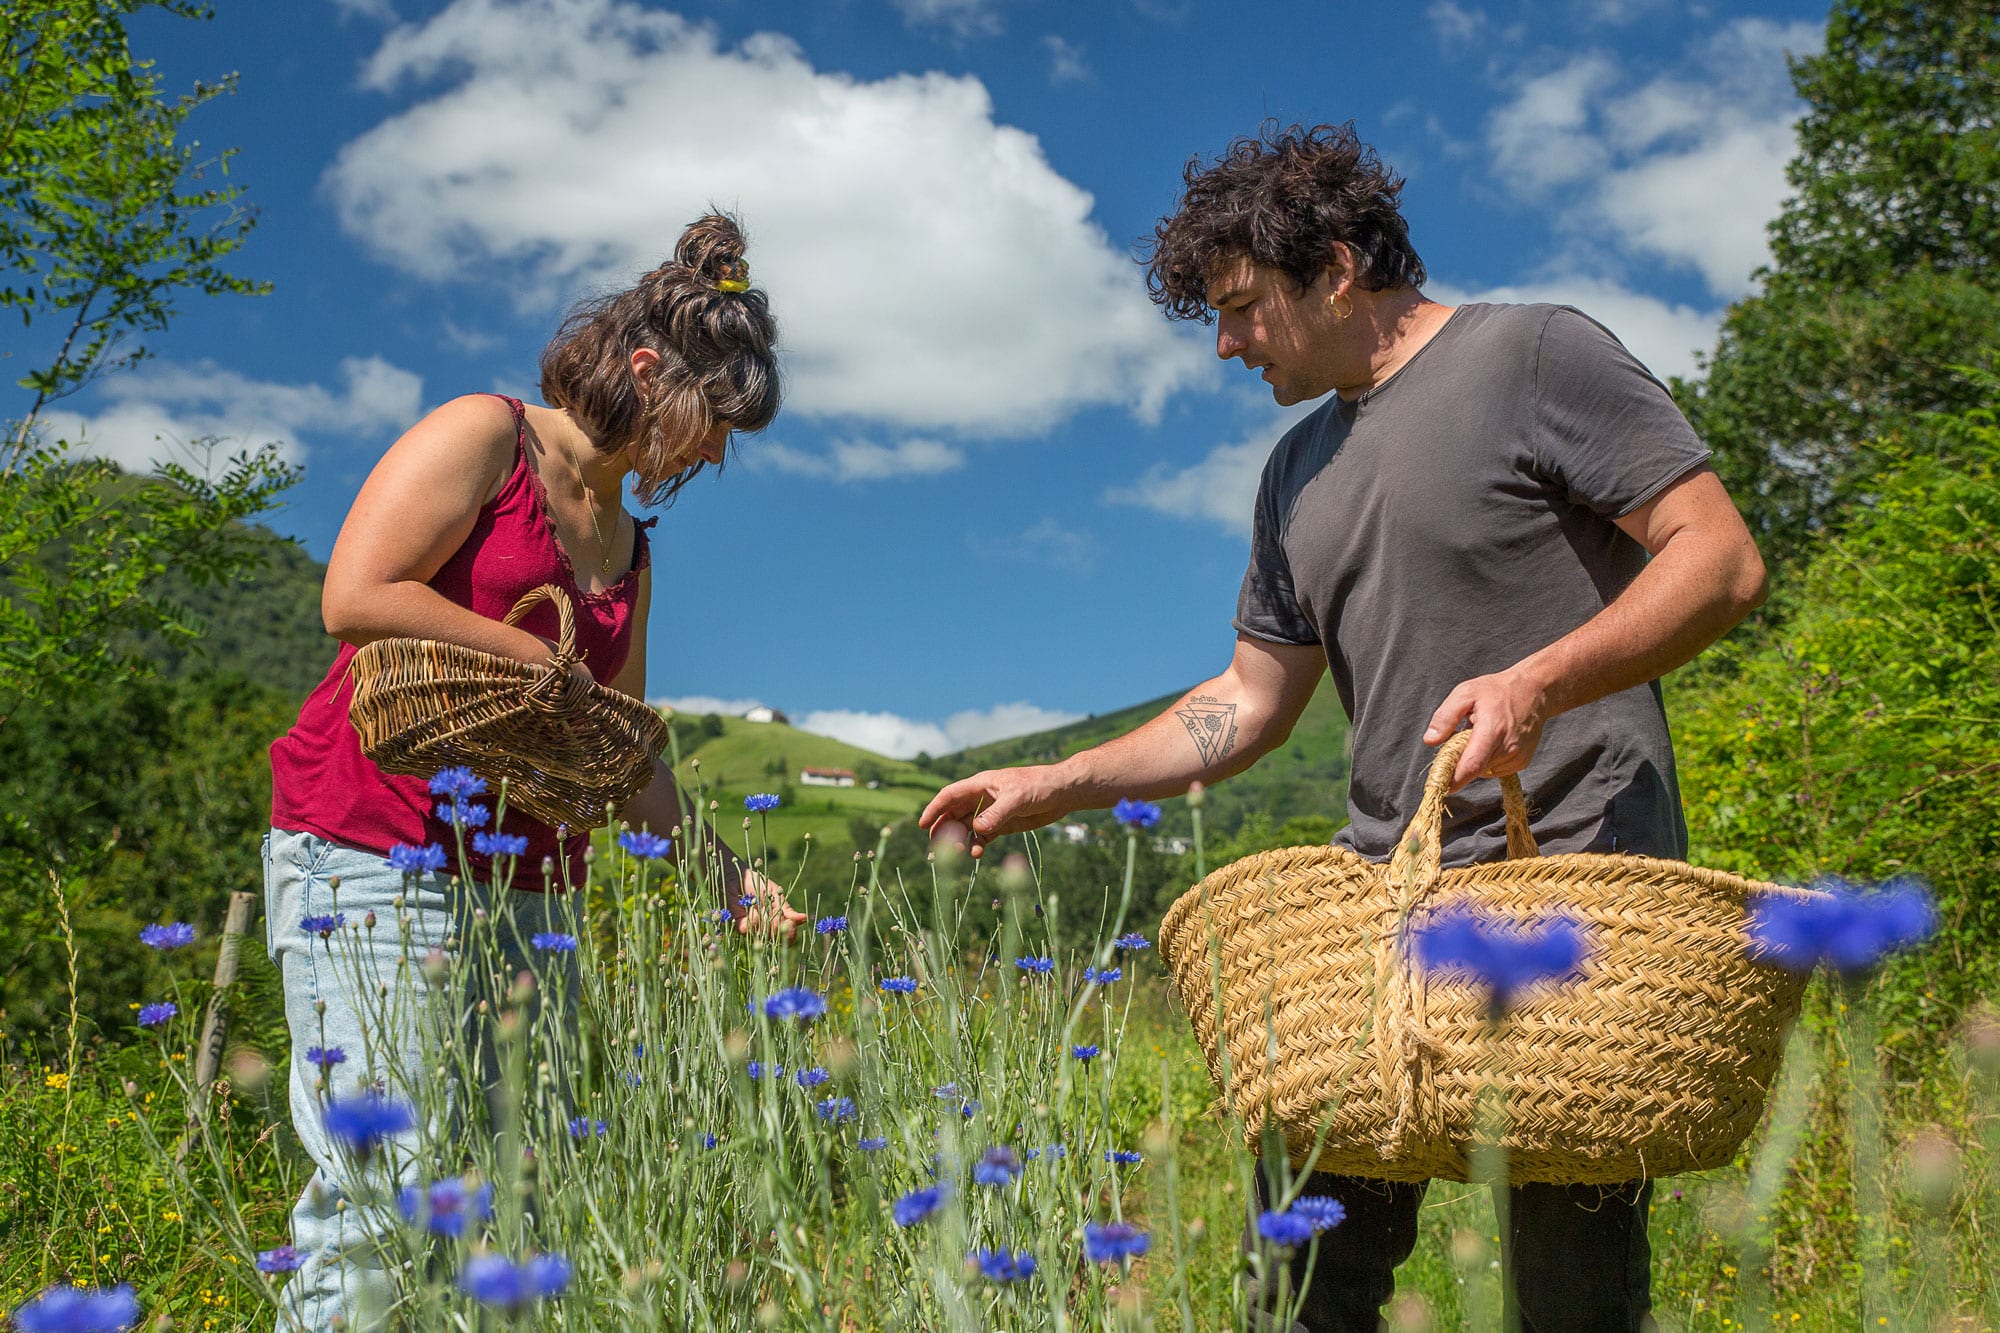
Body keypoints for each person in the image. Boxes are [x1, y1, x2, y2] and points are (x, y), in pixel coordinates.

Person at [919, 124, 1767, 1332]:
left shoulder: (1535, 355)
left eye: (1239, 307)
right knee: (1297, 1287)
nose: (1222, 343)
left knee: (1568, 1296)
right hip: (1377, 923)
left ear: (1331, 268)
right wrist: (1061, 781)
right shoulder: (1292, 469)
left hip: (1575, 884)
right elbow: (1249, 700)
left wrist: (1540, 680)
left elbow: (1719, 559)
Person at [263, 213, 806, 1329]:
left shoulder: (629, 543)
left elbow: (618, 741)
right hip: (377, 851)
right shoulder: (485, 436)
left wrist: (721, 876)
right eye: (713, 423)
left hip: (532, 884)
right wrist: (540, 656)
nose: (712, 454)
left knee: (508, 1201)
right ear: (647, 370)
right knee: (386, 1197)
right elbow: (354, 594)